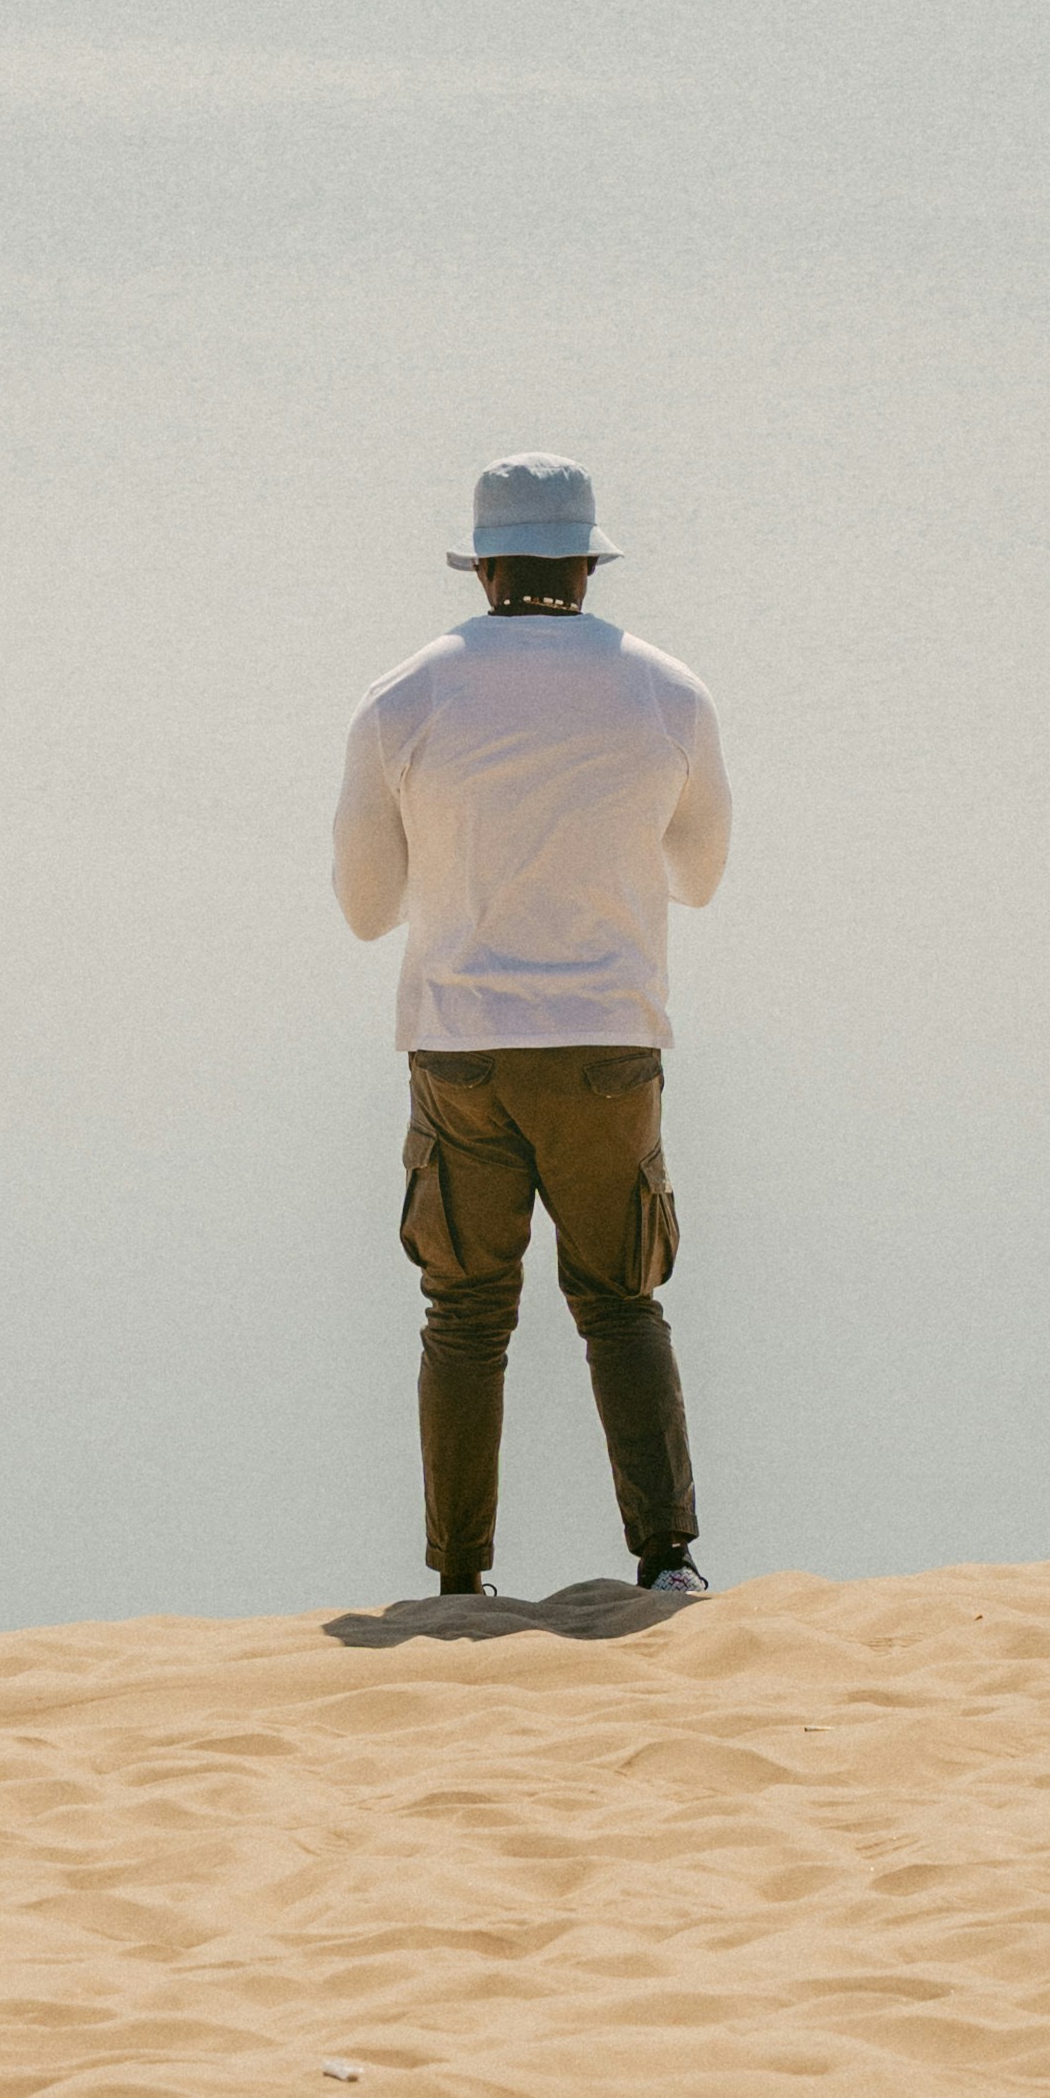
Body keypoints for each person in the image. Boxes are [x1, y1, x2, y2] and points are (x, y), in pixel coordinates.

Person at [333, 456, 732, 1603]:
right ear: (587, 566)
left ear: (485, 568)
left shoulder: (402, 698)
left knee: (463, 1310)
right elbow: (699, 876)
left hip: (460, 1041)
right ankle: (668, 1561)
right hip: (608, 1037)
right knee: (620, 1301)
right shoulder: (667, 691)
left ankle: (461, 1581)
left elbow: (365, 908)